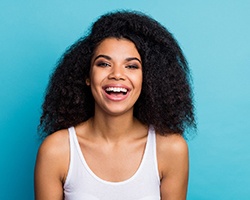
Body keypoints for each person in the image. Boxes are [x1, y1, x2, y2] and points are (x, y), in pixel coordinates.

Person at [35, 10, 196, 200]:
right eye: (104, 64)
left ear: (148, 79)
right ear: (87, 76)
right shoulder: (56, 151)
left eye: (131, 66)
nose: (117, 74)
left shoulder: (170, 150)